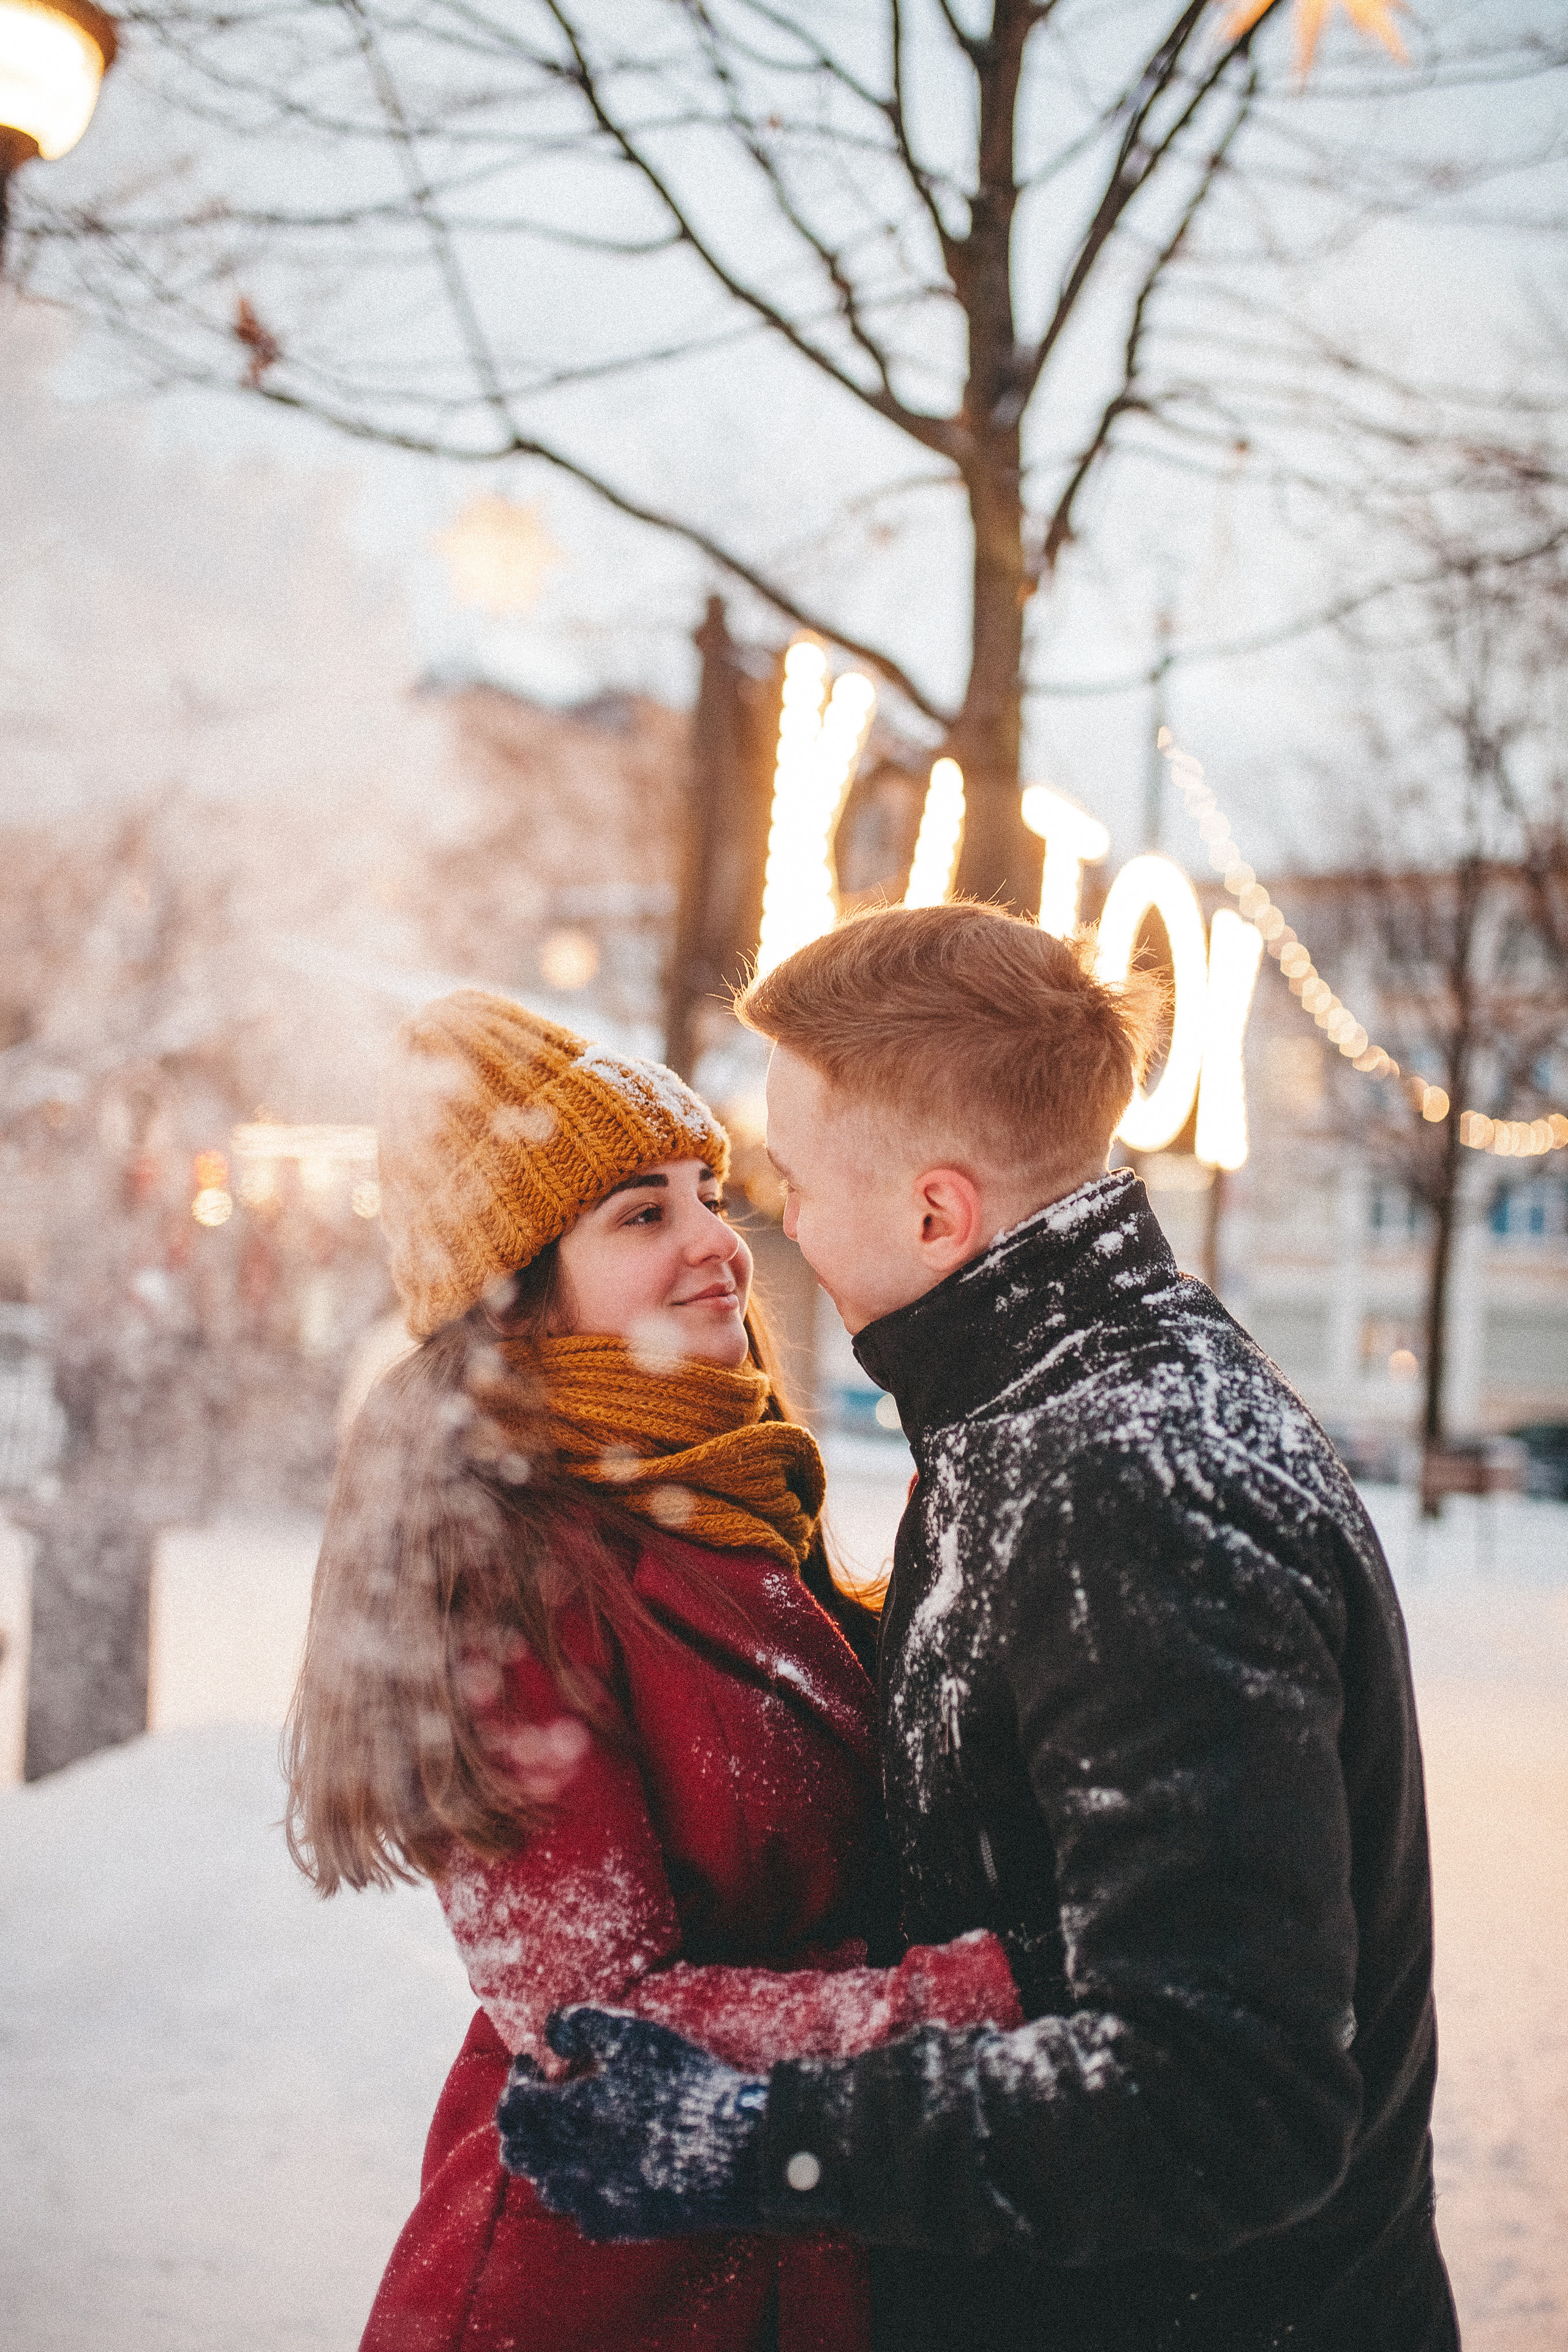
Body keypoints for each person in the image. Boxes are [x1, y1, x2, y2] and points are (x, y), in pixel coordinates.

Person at [497, 907, 1461, 2352]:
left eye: (795, 1183)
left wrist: (771, 2138)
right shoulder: (1050, 1412)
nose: (774, 1233)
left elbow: (1226, 2098)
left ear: (936, 1214)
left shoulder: (1124, 1482)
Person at [285, 988, 1019, 2352]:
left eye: (707, 1195)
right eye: (640, 1215)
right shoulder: (499, 1572)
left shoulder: (728, 1491)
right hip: (610, 2286)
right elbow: (590, 2016)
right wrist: (976, 1999)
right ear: (520, 1296)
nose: (714, 1246)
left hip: (792, 2248)